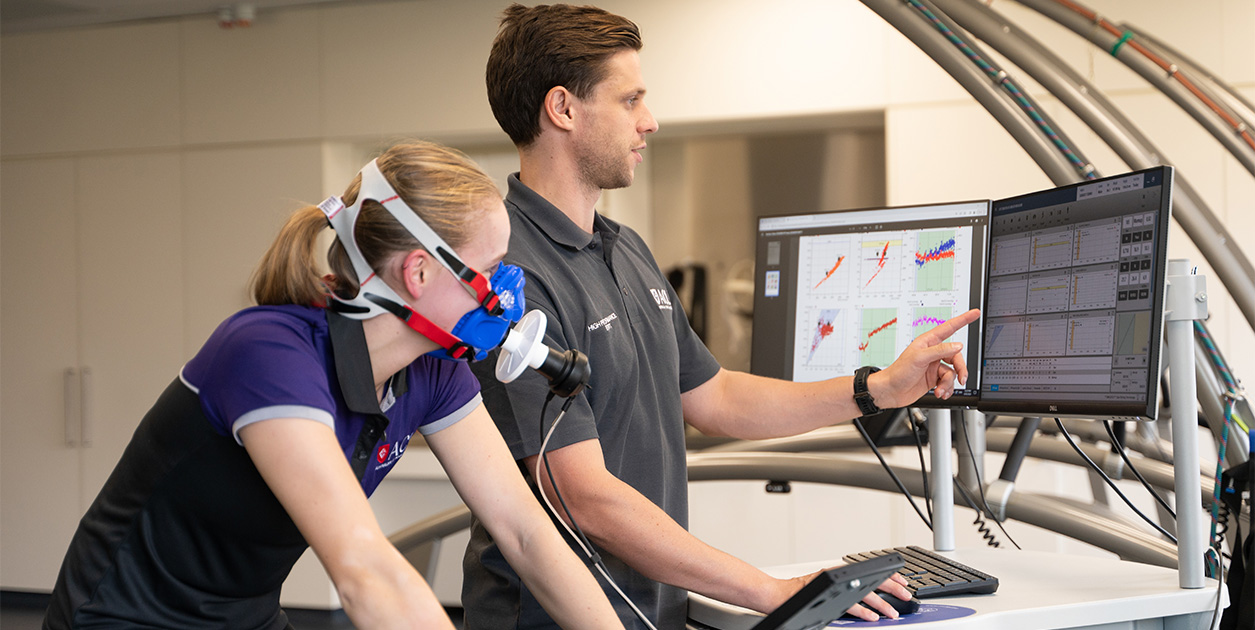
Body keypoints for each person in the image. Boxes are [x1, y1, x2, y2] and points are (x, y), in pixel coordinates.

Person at [462, 5, 983, 629]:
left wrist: (877, 389)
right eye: (630, 100)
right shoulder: (509, 272)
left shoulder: (624, 247)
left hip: (652, 608)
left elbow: (715, 397)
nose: (649, 122)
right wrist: (768, 590)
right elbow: (585, 497)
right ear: (563, 109)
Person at [42, 141, 625, 630]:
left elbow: (525, 533)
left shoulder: (435, 371)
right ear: (419, 273)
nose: (507, 287)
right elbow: (365, 571)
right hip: (121, 616)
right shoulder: (269, 354)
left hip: (246, 616)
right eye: (493, 264)